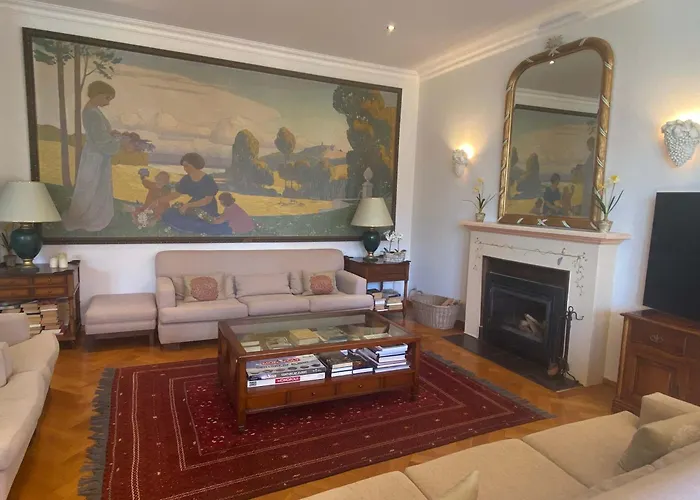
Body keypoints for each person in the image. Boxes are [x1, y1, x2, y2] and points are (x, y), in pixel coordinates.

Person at [63, 81, 129, 232]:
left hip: (97, 154)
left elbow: (101, 135)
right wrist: (119, 141)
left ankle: (94, 217)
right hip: (95, 155)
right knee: (90, 187)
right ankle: (85, 219)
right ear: (97, 94)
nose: (108, 102)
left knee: (97, 186)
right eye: (107, 98)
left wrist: (112, 135)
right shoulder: (92, 113)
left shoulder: (93, 111)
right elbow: (100, 140)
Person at [160, 153, 229, 234]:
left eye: (187, 166)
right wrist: (160, 200)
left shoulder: (207, 179)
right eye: (184, 166)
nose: (185, 169)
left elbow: (207, 200)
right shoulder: (186, 179)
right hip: (192, 204)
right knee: (170, 213)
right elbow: (177, 193)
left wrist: (187, 205)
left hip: (206, 207)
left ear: (195, 165)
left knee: (195, 220)